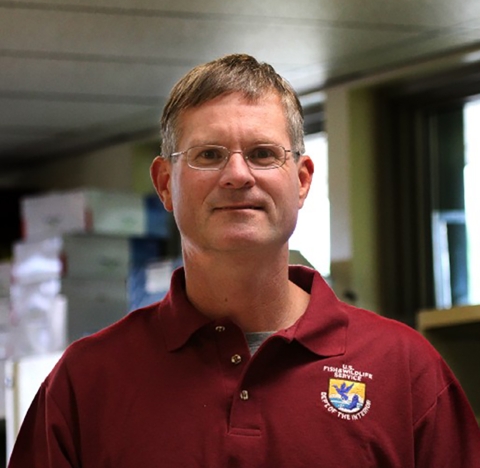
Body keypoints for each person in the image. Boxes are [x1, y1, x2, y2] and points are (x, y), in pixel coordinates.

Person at [8, 54, 480, 467]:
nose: (237, 174)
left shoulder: (405, 370)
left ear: (301, 179)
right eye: (209, 154)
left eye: (262, 154)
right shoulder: (86, 382)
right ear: (165, 183)